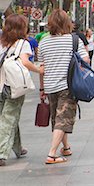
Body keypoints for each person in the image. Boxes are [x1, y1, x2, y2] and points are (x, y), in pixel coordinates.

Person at [38, 9, 89, 164]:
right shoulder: (73, 40)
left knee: (58, 118)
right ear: (67, 23)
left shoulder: (43, 42)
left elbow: (42, 68)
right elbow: (86, 60)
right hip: (68, 86)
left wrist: (42, 88)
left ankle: (65, 147)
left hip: (50, 86)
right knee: (62, 119)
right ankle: (52, 154)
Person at [0, 15, 41, 167]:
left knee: (8, 117)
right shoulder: (23, 43)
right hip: (14, 86)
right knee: (9, 118)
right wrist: (38, 70)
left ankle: (18, 148)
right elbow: (25, 62)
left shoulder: (2, 42)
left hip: (1, 85)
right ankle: (1, 153)